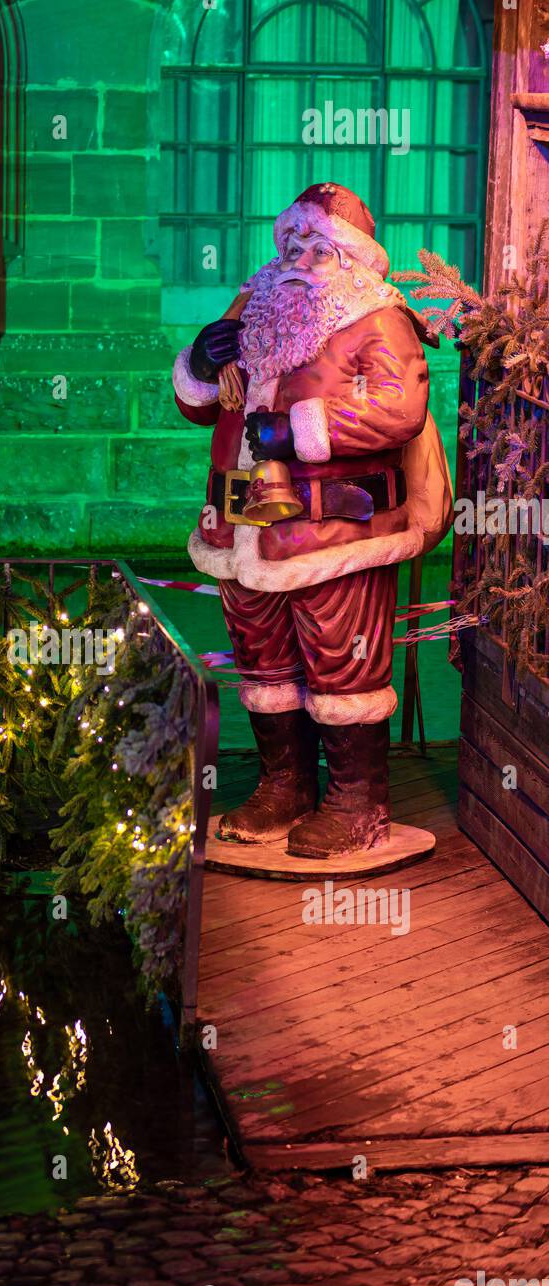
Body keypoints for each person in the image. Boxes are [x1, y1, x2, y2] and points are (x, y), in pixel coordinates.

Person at [173, 183, 452, 858]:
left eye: (317, 243)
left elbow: (395, 410)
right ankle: (283, 789)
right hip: (242, 523)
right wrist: (199, 364)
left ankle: (358, 804)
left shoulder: (379, 319)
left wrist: (296, 432)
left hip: (335, 530)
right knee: (264, 665)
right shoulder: (254, 304)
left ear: (351, 255)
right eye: (291, 241)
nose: (299, 254)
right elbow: (199, 407)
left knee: (341, 665)